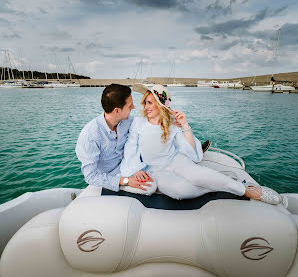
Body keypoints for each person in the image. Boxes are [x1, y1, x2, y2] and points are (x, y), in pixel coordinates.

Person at [120, 84, 286, 205]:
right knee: (180, 192)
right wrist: (135, 170)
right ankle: (225, 184)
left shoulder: (172, 125)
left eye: (150, 102)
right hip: (154, 170)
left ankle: (247, 190)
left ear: (161, 104)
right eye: (145, 102)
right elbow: (130, 148)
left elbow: (192, 151)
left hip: (175, 160)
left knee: (198, 174)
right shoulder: (138, 123)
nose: (145, 106)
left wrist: (185, 125)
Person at [76, 84, 156, 194]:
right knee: (150, 187)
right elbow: (91, 176)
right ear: (117, 110)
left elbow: (145, 125)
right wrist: (126, 181)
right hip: (110, 176)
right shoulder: (90, 135)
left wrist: (171, 120)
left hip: (127, 166)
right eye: (130, 106)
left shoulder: (127, 121)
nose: (133, 107)